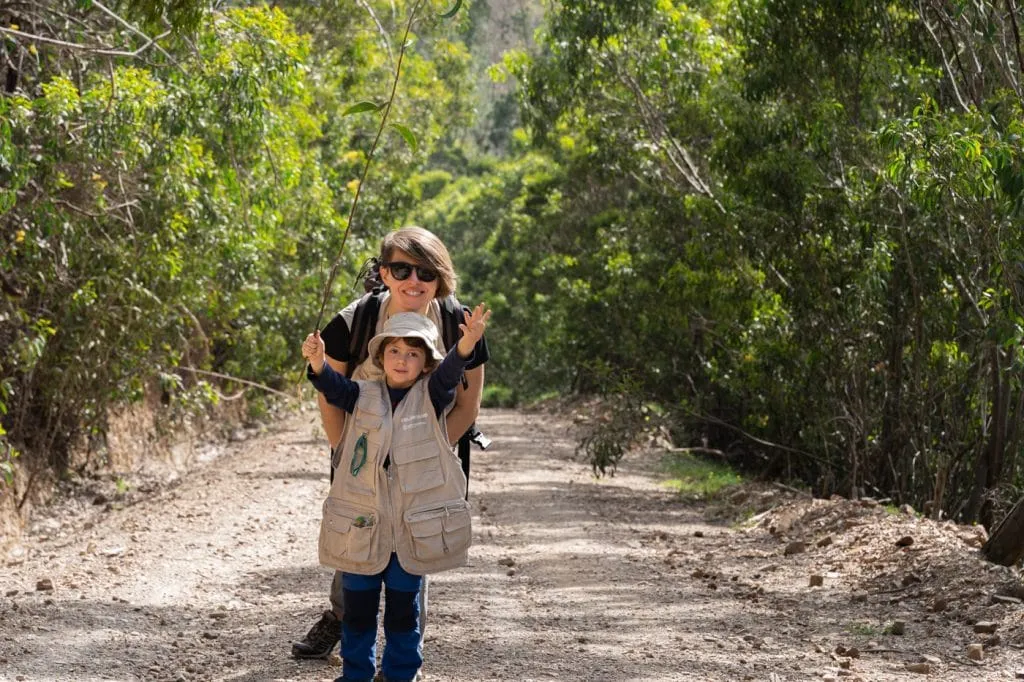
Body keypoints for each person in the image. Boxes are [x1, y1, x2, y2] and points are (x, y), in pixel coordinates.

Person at [291, 226, 489, 660]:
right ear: (384, 272)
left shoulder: (460, 321)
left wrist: (426, 452)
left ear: (440, 279)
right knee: (357, 532)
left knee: (417, 545)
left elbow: (467, 403)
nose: (413, 281)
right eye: (402, 269)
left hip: (429, 453)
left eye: (425, 271)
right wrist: (345, 450)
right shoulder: (355, 320)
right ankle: (341, 619)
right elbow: (332, 389)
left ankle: (404, 659)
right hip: (360, 451)